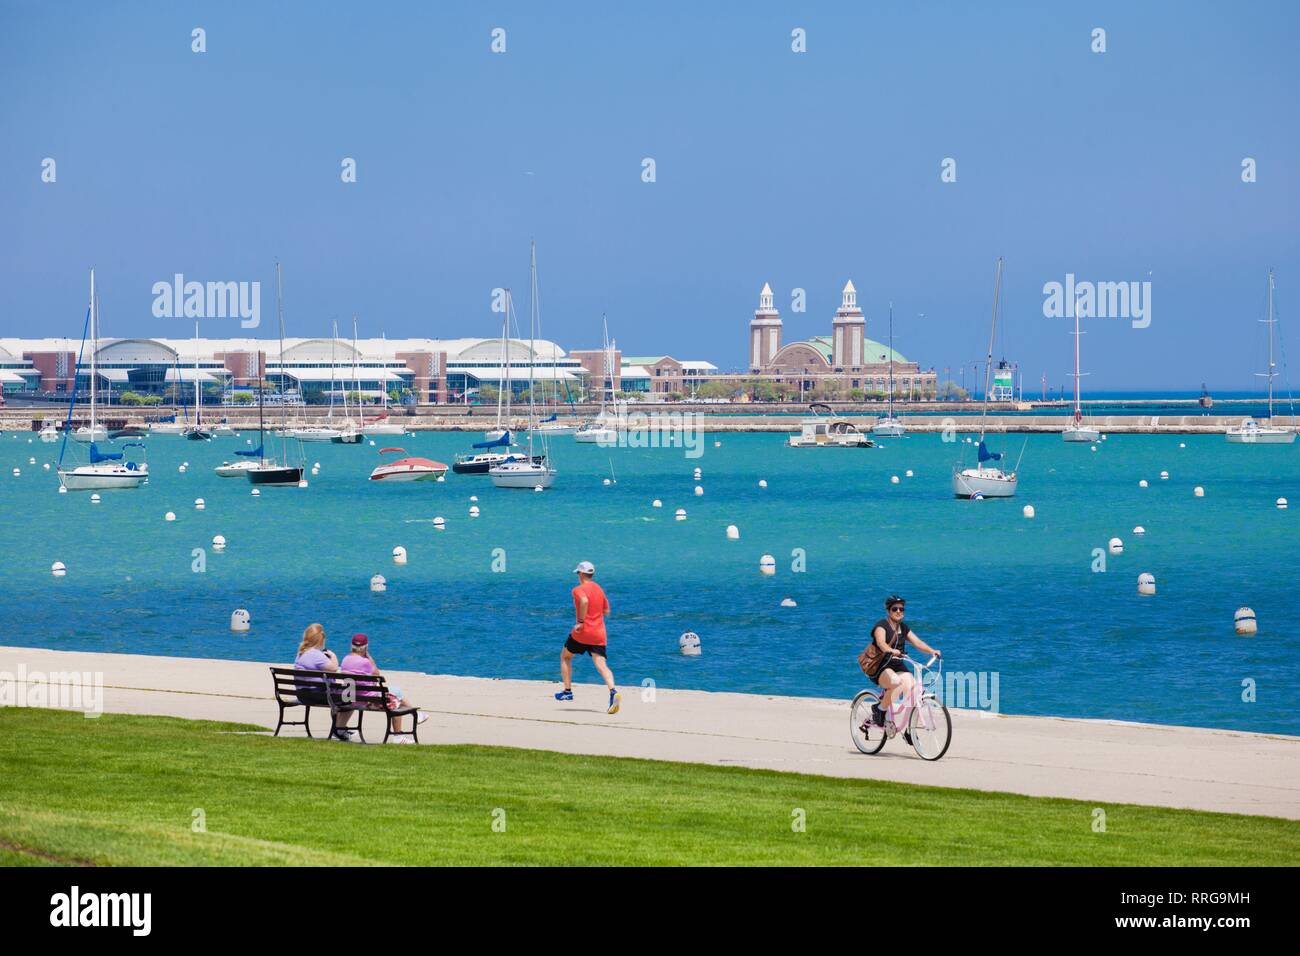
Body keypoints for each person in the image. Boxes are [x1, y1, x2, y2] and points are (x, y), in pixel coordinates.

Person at [866, 596, 939, 731]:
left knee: (913, 690)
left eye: (901, 609)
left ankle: (908, 730)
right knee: (895, 682)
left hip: (898, 665)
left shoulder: (903, 628)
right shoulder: (881, 626)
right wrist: (890, 650)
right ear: (888, 611)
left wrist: (932, 651)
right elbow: (881, 643)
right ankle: (879, 709)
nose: (899, 611)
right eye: (895, 609)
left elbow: (918, 642)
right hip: (881, 666)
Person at [556, 561, 620, 714]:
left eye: (578, 573)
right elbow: (607, 610)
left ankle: (567, 691)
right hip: (599, 633)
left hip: (583, 632)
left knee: (565, 656)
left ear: (582, 574)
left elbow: (584, 600)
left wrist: (581, 621)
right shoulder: (599, 589)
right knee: (601, 665)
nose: (578, 575)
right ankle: (613, 692)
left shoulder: (578, 589)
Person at [339, 633, 427, 744]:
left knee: (395, 691)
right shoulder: (365, 662)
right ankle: (398, 736)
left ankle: (418, 715)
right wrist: (370, 658)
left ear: (351, 646)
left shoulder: (345, 660)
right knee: (394, 698)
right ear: (366, 647)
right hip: (367, 701)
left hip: (351, 699)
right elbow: (377, 675)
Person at [293, 623, 355, 741]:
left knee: (340, 695)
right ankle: (339, 729)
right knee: (351, 695)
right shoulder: (317, 655)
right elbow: (334, 668)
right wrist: (333, 656)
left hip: (302, 695)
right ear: (320, 640)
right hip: (318, 695)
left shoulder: (300, 654)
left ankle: (338, 728)